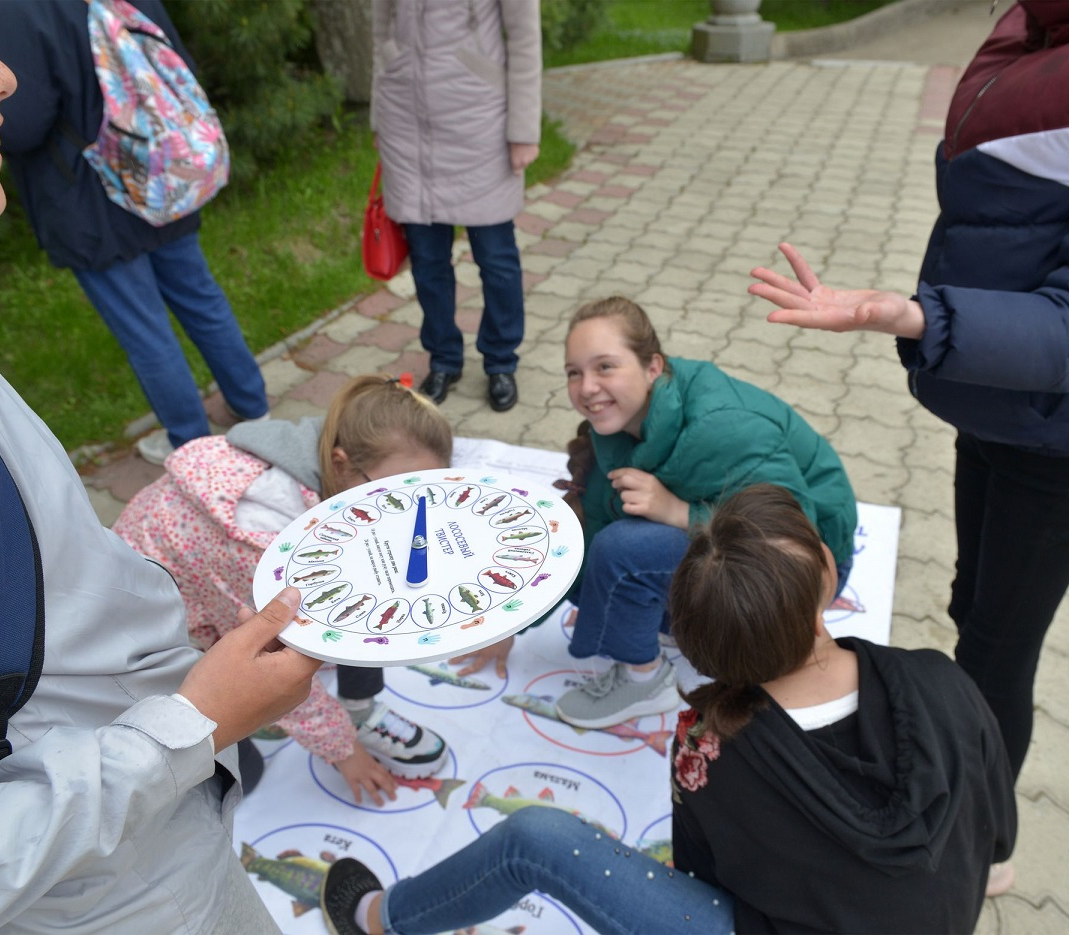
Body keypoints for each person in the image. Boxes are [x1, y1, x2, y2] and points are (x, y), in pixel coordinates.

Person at [0, 2, 320, 930]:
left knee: (151, 331)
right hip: (107, 883)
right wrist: (192, 725)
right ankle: (229, 406)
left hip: (128, 842)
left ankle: (188, 426)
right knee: (191, 307)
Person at [317, 484, 1017, 935]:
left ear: (701, 646)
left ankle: (378, 920)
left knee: (534, 838)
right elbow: (995, 827)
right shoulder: (941, 677)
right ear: (830, 571)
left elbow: (707, 876)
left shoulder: (710, 742)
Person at [748, 3, 1067, 894]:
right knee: (975, 608)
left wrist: (916, 314)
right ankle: (957, 760)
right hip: (998, 405)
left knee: (1003, 645)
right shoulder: (1031, 30)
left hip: (1055, 436)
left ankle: (987, 839)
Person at [114, 375, 455, 798]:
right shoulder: (260, 540)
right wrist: (342, 750)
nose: (411, 514)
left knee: (365, 590)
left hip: (210, 590)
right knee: (236, 778)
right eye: (393, 494)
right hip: (147, 642)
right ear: (340, 462)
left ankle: (360, 709)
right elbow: (269, 660)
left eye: (424, 495)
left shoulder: (329, 458)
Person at [533, 296, 856, 729]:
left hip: (809, 572)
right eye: (575, 372)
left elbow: (796, 535)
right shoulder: (623, 418)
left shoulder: (719, 426)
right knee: (600, 558)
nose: (587, 387)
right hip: (743, 545)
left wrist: (679, 511)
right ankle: (684, 619)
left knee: (623, 550)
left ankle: (643, 681)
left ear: (652, 367)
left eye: (605, 367)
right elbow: (591, 524)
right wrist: (514, 620)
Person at [0, 0, 269, 465]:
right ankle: (254, 414)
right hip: (158, 176)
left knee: (145, 331)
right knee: (200, 296)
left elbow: (23, 124)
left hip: (87, 199)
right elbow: (178, 65)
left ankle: (193, 449)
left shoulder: (13, 13)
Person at [371, 0, 541, 413]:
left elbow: (524, 38)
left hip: (480, 118)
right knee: (428, 260)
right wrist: (381, 113)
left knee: (496, 258)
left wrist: (523, 130)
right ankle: (444, 358)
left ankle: (501, 361)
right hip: (406, 120)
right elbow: (380, 28)